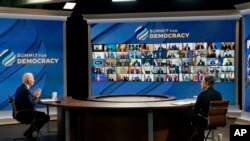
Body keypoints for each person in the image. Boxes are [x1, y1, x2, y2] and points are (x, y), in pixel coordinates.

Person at [15, 72, 50, 139]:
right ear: (29, 80)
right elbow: (32, 105)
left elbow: (26, 101)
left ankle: (29, 132)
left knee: (42, 115)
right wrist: (37, 96)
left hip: (20, 113)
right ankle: (29, 132)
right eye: (33, 79)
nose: (34, 80)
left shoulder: (20, 88)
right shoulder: (26, 90)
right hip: (25, 114)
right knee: (46, 117)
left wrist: (33, 95)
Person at [191, 75, 222, 141]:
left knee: (190, 118)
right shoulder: (219, 94)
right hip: (216, 120)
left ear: (207, 83)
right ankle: (200, 137)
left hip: (205, 121)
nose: (201, 83)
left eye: (202, 81)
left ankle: (198, 138)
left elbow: (195, 111)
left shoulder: (202, 94)